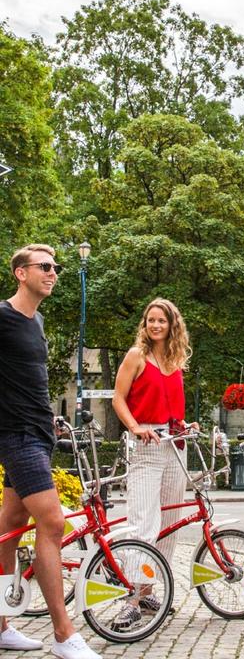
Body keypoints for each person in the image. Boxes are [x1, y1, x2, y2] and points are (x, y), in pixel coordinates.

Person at [0, 244, 101, 659]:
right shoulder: (2, 316)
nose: (53, 272)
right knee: (53, 523)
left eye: (56, 267)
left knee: (10, 522)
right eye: (44, 266)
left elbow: (31, 381)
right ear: (20, 273)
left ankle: (1, 624)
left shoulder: (36, 320)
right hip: (16, 435)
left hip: (39, 433)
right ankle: (64, 634)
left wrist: (52, 421)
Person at [112, 298, 194, 631]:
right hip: (146, 447)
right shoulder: (137, 356)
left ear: (173, 325)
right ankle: (131, 599)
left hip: (175, 446)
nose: (155, 325)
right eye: (150, 320)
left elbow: (172, 406)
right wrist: (134, 426)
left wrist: (187, 425)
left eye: (161, 320)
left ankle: (148, 590)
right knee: (143, 521)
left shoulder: (175, 360)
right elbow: (118, 398)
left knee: (169, 523)